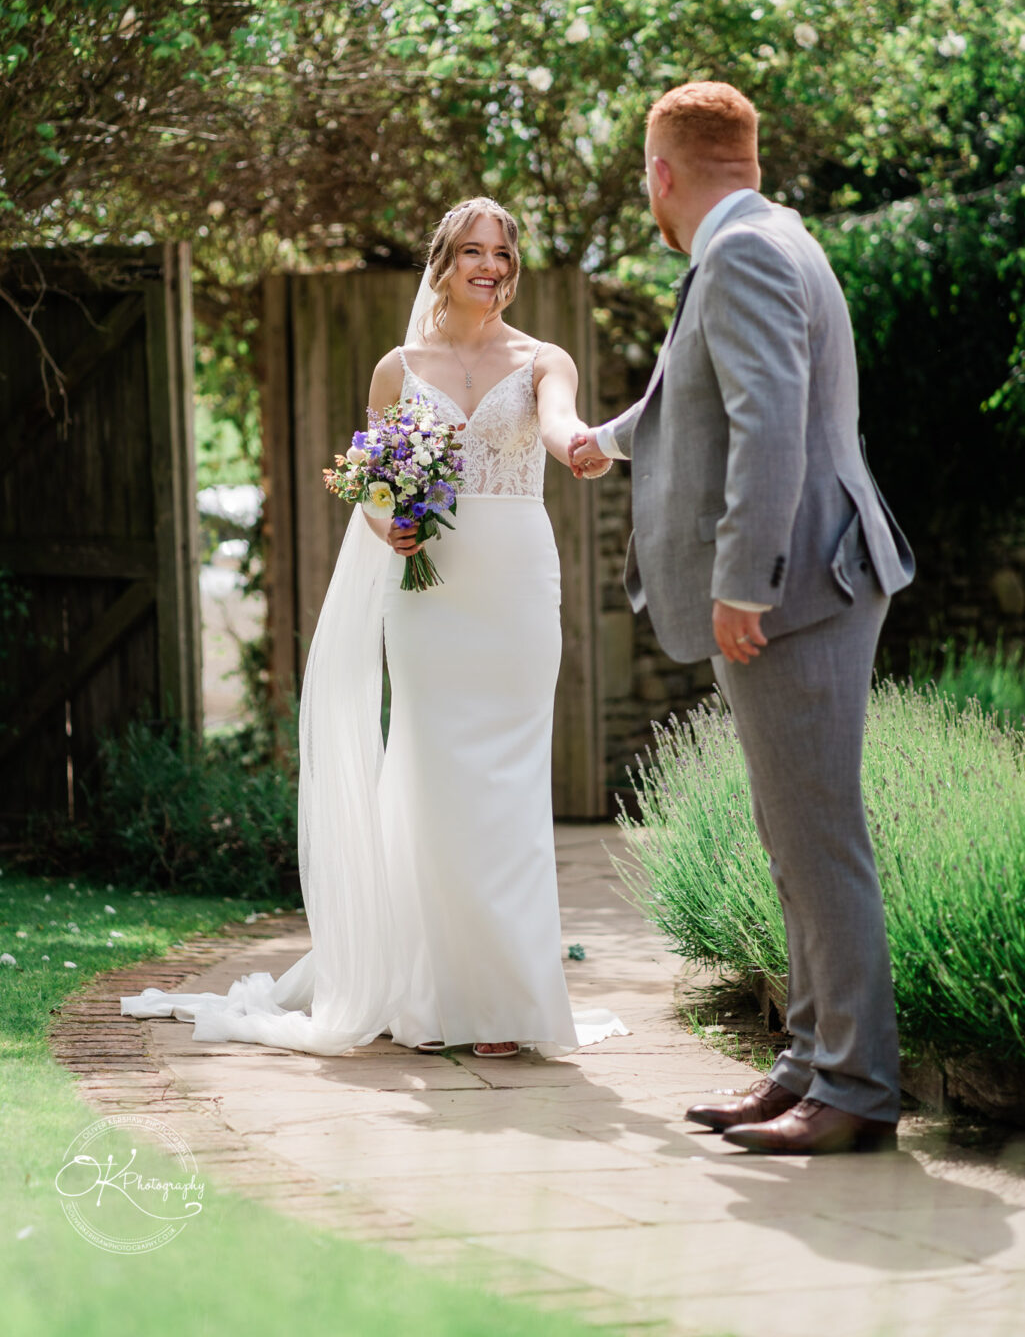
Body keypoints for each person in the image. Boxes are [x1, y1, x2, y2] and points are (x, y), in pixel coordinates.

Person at [123, 197, 625, 1060]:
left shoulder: (544, 359)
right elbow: (377, 489)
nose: (491, 268)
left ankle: (504, 1004)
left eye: (502, 255)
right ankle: (430, 992)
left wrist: (580, 442)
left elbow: (555, 423)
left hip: (511, 588)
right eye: (473, 252)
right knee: (431, 782)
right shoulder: (399, 369)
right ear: (442, 263)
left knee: (505, 788)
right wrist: (387, 524)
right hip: (427, 594)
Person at [570, 82, 915, 1153]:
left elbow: (770, 424)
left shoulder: (744, 253)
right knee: (789, 833)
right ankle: (805, 1066)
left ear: (661, 173)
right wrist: (608, 440)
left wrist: (746, 580)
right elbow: (702, 392)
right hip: (810, 578)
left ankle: (853, 1091)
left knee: (818, 840)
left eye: (643, 178)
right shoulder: (764, 237)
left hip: (796, 587)